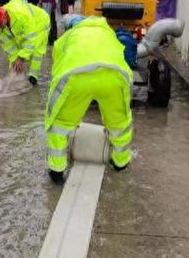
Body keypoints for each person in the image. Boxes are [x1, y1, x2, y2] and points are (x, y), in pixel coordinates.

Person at [44, 15, 134, 184]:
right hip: (115, 77)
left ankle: (57, 171)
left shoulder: (69, 36)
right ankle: (120, 163)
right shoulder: (108, 33)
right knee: (120, 123)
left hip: (76, 77)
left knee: (58, 123)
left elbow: (57, 68)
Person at [0, 0, 50, 85]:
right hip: (28, 25)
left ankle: (33, 78)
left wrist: (21, 58)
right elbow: (9, 46)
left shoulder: (20, 16)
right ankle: (22, 74)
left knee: (36, 51)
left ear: (4, 16)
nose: (0, 27)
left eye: (0, 24)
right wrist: (15, 61)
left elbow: (30, 41)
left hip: (41, 22)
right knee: (20, 53)